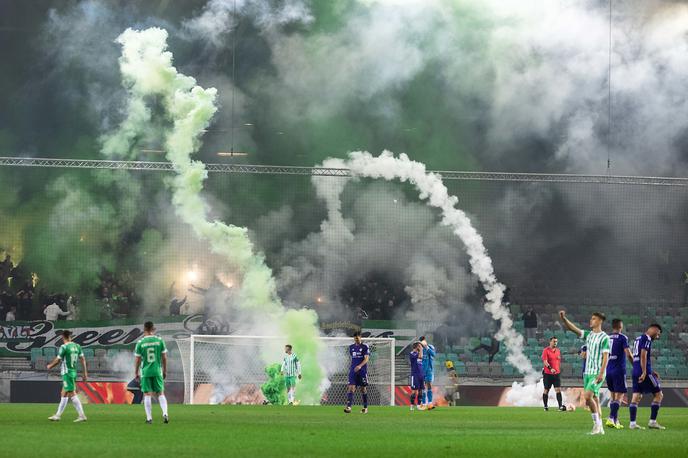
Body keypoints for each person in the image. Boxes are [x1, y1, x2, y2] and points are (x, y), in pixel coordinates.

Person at [559, 310, 610, 435]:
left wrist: (601, 373)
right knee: (596, 400)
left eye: (593, 319)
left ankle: (596, 426)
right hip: (587, 373)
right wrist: (564, 319)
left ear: (599, 321)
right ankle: (601, 428)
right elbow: (574, 329)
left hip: (597, 372)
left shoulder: (605, 337)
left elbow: (605, 357)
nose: (590, 320)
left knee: (587, 397)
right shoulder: (589, 335)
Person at [46, 330, 88, 422]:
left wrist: (49, 366)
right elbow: (83, 359)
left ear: (62, 337)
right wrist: (85, 373)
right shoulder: (77, 346)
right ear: (70, 336)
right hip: (73, 372)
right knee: (63, 393)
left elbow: (57, 360)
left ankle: (82, 415)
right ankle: (57, 415)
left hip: (67, 373)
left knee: (72, 393)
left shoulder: (64, 347)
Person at [629, 324, 665, 430]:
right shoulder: (647, 338)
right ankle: (652, 422)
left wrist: (649, 370)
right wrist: (645, 372)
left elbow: (638, 356)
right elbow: (643, 354)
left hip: (635, 370)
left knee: (636, 396)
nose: (657, 337)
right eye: (658, 334)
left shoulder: (638, 338)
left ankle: (632, 423)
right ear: (654, 329)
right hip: (644, 372)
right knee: (659, 395)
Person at [134, 321, 169, 424]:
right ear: (153, 329)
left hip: (145, 372)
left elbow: (137, 360)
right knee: (160, 393)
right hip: (157, 370)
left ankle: (149, 418)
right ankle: (165, 413)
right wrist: (164, 370)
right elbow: (164, 358)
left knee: (147, 394)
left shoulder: (140, 343)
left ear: (144, 330)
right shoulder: (160, 341)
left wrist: (136, 372)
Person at [604, 319, 633, 429]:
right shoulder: (623, 338)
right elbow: (628, 355)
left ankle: (615, 420)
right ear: (621, 326)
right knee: (620, 396)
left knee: (613, 396)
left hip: (608, 370)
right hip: (618, 370)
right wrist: (635, 366)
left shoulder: (607, 337)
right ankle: (611, 417)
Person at [345, 332, 370, 414]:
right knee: (351, 388)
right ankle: (348, 407)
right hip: (353, 371)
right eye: (355, 338)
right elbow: (352, 358)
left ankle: (365, 408)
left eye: (358, 338)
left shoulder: (365, 347)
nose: (357, 339)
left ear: (360, 338)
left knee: (363, 389)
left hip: (362, 371)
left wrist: (359, 366)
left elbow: (366, 359)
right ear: (354, 338)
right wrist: (354, 367)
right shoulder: (351, 347)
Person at [541, 336, 565, 411]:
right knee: (546, 390)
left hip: (556, 374)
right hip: (548, 374)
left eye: (556, 341)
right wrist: (551, 369)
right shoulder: (546, 350)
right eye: (554, 341)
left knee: (558, 390)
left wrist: (557, 370)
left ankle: (560, 406)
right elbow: (545, 362)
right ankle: (545, 406)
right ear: (550, 342)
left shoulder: (558, 351)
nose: (555, 343)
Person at [420, 336, 436, 410]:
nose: (423, 342)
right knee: (422, 387)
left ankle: (430, 403)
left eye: (423, 340)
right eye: (421, 341)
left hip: (429, 369)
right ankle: (423, 403)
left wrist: (426, 347)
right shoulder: (419, 348)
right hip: (422, 370)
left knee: (429, 385)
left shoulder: (430, 347)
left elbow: (433, 354)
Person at [409, 341, 424, 411]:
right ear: (416, 347)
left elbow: (421, 357)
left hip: (421, 374)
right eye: (419, 346)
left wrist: (421, 350)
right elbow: (420, 356)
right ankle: (411, 406)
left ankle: (418, 405)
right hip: (414, 375)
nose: (420, 347)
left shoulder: (419, 353)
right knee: (414, 391)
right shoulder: (412, 353)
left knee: (421, 391)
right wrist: (421, 349)